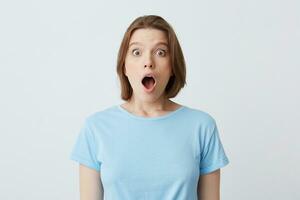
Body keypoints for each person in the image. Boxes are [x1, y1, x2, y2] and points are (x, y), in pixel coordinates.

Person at [70, 15, 230, 200]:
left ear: (172, 66)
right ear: (124, 66)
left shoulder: (202, 126)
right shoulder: (95, 128)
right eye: (137, 52)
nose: (149, 61)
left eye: (160, 52)